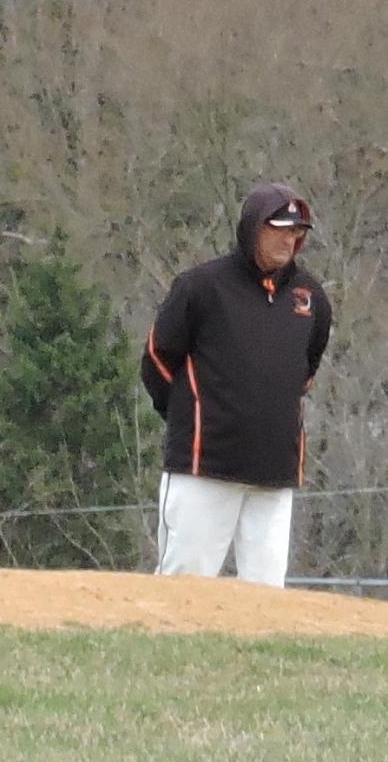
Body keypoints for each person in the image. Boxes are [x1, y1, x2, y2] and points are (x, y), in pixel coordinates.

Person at [140, 183, 331, 587]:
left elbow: (305, 372)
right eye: (279, 228)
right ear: (252, 228)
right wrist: (187, 419)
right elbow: (157, 361)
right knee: (184, 586)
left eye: (297, 232)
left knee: (266, 595)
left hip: (274, 473)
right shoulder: (200, 287)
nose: (289, 239)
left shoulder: (311, 297)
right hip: (203, 468)